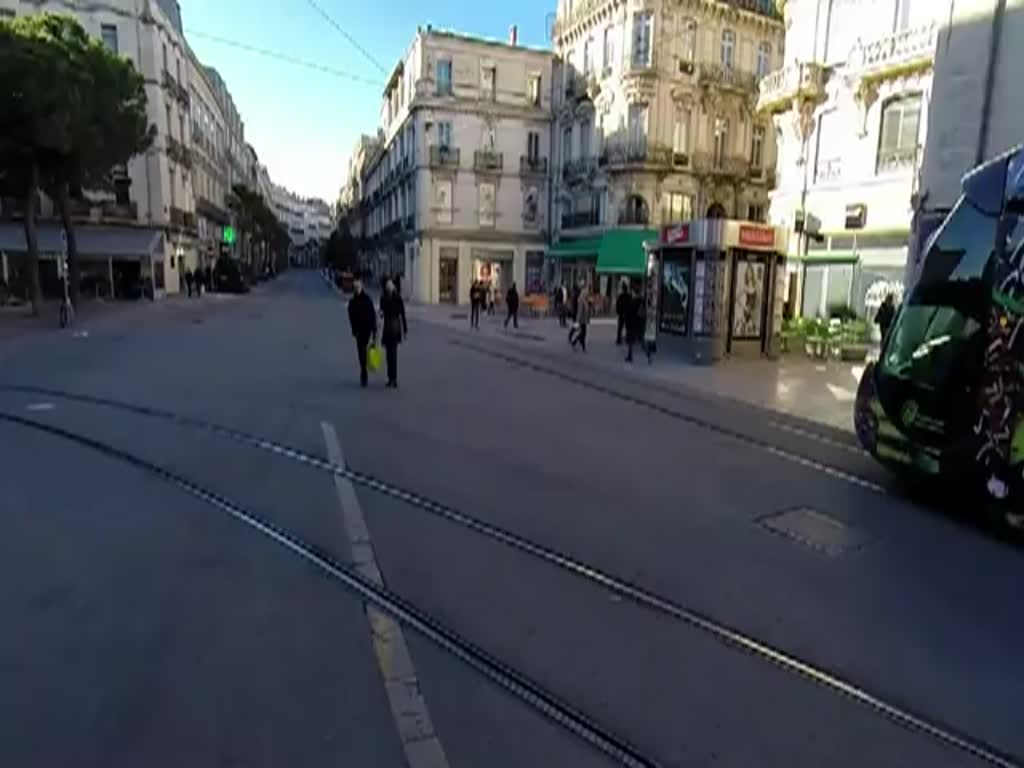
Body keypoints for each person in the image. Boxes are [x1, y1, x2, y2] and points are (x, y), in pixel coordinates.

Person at [379, 278, 408, 388]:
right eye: (388, 285)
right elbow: (381, 313)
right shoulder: (385, 298)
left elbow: (402, 314)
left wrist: (405, 330)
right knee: (389, 355)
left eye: (391, 285)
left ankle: (393, 379)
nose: (390, 287)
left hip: (393, 327)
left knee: (392, 354)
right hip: (389, 327)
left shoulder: (397, 298)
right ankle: (391, 378)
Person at [348, 279, 377, 387]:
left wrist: (374, 330)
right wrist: (354, 330)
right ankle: (363, 371)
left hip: (366, 330)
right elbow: (351, 318)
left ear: (361, 288)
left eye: (358, 288)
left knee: (363, 351)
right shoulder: (352, 302)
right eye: (355, 288)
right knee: (361, 352)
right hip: (359, 331)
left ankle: (364, 372)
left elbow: (373, 315)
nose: (356, 289)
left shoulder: (367, 300)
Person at [625, 286, 650, 363]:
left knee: (630, 341)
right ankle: (648, 354)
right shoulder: (642, 301)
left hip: (633, 324)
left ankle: (630, 356)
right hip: (640, 324)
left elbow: (629, 314)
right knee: (641, 340)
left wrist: (627, 323)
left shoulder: (633, 302)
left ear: (634, 293)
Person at [570, 285, 590, 352]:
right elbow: (580, 311)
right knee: (583, 333)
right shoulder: (581, 300)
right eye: (586, 293)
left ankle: (578, 344)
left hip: (584, 319)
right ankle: (576, 343)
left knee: (583, 333)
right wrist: (578, 320)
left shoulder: (584, 300)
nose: (587, 294)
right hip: (581, 319)